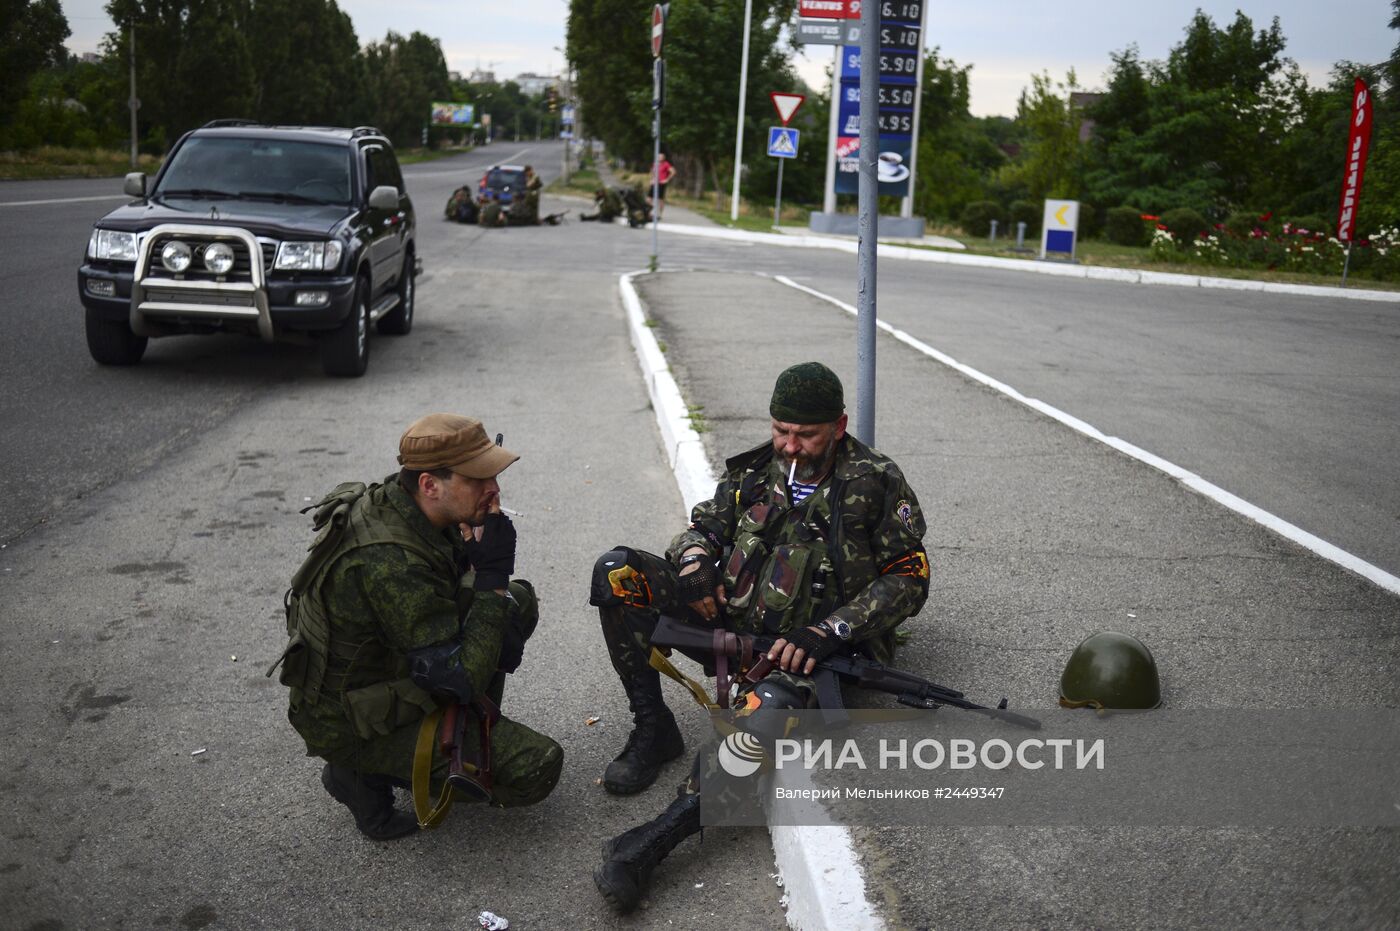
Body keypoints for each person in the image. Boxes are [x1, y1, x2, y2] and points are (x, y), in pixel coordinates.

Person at [588, 362, 930, 912]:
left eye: (805, 435)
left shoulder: (875, 481)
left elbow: (910, 575)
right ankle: (653, 729)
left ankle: (651, 843)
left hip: (806, 652)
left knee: (762, 723)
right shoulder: (756, 472)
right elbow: (702, 528)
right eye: (780, 431)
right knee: (618, 573)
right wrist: (695, 560)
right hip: (731, 624)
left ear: (839, 426)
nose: (790, 446)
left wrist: (831, 630)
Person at [273, 413, 563, 840]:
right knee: (535, 766)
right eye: (478, 480)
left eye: (494, 477)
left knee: (516, 604)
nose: (494, 490)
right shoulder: (390, 560)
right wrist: (493, 576)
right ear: (430, 484)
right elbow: (460, 675)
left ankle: (461, 727)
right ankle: (359, 771)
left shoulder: (408, 504)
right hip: (352, 717)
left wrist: (480, 566)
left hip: (396, 669)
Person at [650, 151, 675, 219]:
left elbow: (673, 172)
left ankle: (660, 214)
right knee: (649, 199)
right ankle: (651, 212)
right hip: (654, 183)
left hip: (661, 183)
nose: (659, 157)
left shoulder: (666, 164)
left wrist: (667, 179)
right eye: (658, 156)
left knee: (660, 199)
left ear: (663, 158)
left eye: (661, 156)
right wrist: (652, 179)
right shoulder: (655, 164)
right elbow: (652, 172)